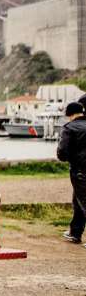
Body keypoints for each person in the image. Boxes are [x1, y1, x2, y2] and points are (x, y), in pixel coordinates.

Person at [56, 101, 86, 248]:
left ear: (70, 114)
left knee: (83, 201)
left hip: (80, 170)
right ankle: (75, 232)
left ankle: (76, 233)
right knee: (78, 201)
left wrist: (70, 158)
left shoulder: (69, 128)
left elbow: (62, 152)